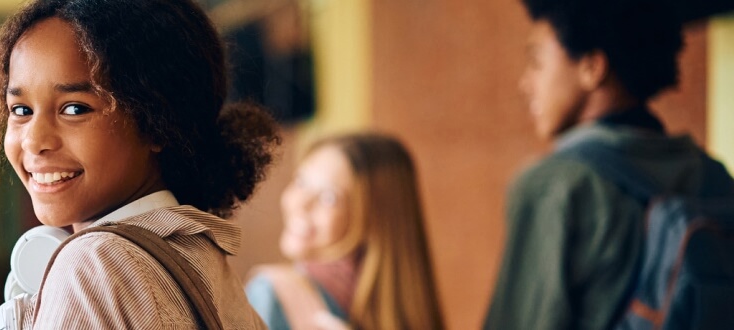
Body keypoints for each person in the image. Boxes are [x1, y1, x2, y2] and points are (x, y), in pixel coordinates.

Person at [0, 0, 280, 327]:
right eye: (21, 110)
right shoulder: (204, 260)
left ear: (159, 122)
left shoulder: (92, 264)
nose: (33, 140)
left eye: (75, 109)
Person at [485, 0, 734, 328]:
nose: (526, 83)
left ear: (592, 67)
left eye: (536, 61)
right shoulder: (714, 176)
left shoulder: (555, 185)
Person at [244, 133, 445, 330]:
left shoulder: (271, 294)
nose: (300, 203)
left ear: (374, 218)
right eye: (301, 182)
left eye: (329, 197)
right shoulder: (270, 293)